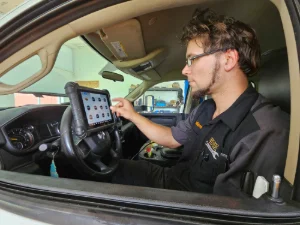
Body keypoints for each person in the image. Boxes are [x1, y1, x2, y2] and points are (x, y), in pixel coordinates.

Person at [110, 9, 289, 197]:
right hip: (171, 180)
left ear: (228, 59)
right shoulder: (206, 108)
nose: (185, 70)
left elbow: (230, 212)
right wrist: (132, 115)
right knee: (111, 167)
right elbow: (171, 138)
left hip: (188, 205)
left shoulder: (264, 131)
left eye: (192, 59)